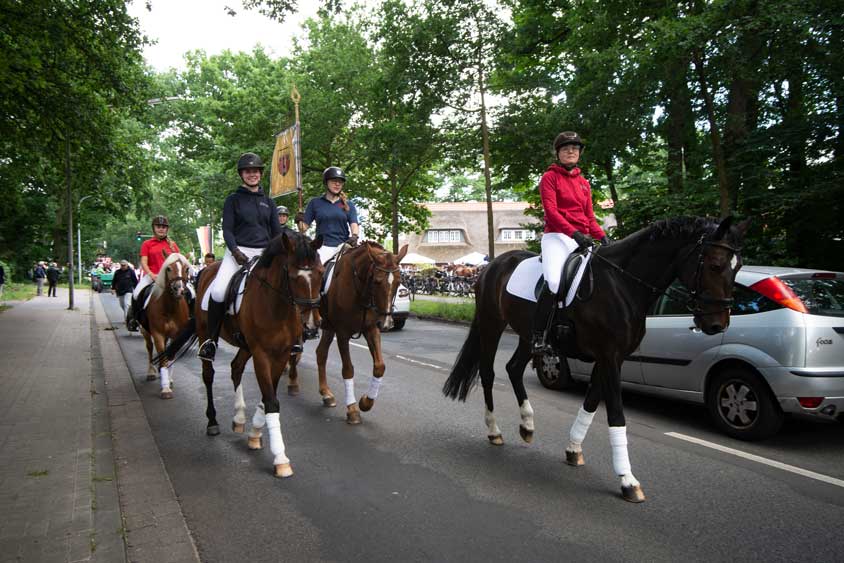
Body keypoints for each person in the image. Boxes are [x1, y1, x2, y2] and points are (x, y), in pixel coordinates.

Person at [198, 152, 283, 361]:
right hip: (237, 252)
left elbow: (276, 232)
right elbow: (227, 229)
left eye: (255, 171)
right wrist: (235, 251)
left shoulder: (269, 202)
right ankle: (211, 341)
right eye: (248, 171)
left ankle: (295, 336)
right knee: (217, 291)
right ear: (241, 174)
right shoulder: (233, 200)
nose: (252, 174)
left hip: (264, 253)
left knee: (287, 285)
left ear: (260, 174)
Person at [533, 131, 609, 356]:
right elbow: (552, 212)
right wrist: (575, 234)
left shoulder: (585, 183)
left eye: (575, 148)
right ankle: (539, 335)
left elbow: (590, 217)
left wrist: (603, 237)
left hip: (582, 238)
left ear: (580, 153)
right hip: (557, 236)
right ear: (558, 153)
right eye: (566, 148)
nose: (571, 151)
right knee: (555, 281)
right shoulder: (549, 178)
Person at [126, 215, 180, 331]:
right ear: (154, 228)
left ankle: (190, 317)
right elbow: (144, 262)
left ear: (167, 229)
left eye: (164, 227)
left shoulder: (173, 245)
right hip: (152, 276)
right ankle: (134, 318)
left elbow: (178, 262)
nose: (161, 229)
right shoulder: (147, 244)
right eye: (158, 226)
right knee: (136, 293)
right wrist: (151, 274)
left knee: (190, 292)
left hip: (170, 278)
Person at [296, 166, 359, 264]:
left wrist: (355, 236)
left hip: (343, 246)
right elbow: (303, 228)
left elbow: (354, 223)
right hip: (322, 247)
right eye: (334, 181)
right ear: (326, 182)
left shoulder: (348, 204)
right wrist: (299, 220)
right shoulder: (315, 203)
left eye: (340, 182)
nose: (337, 184)